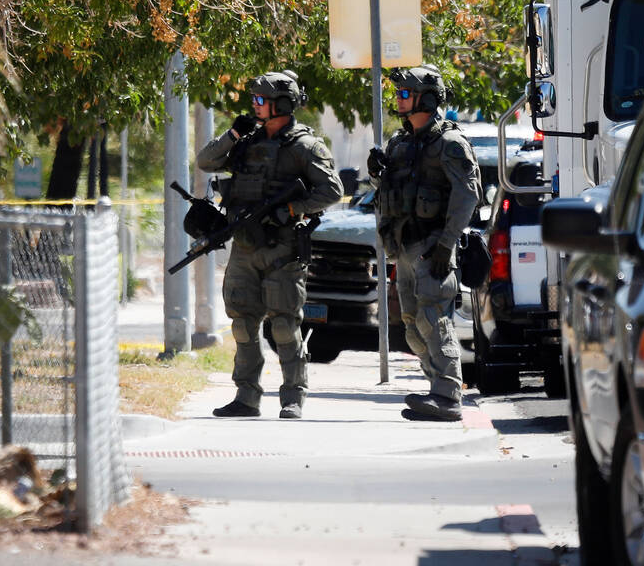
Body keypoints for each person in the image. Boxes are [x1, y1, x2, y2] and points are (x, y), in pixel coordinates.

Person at [196, 69, 343, 419]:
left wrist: (293, 208)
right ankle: (246, 397)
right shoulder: (245, 141)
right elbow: (205, 161)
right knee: (243, 324)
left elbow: (332, 190)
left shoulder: (305, 146)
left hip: (282, 248)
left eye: (261, 101)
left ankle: (293, 396)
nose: (255, 106)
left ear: (281, 104)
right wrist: (233, 133)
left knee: (284, 325)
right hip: (245, 248)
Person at [368, 65, 480, 421]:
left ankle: (448, 396)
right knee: (414, 325)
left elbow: (468, 195)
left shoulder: (449, 143)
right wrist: (376, 176)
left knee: (435, 319)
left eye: (405, 94)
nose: (398, 100)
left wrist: (446, 246)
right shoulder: (399, 144)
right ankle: (436, 389)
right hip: (403, 248)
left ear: (427, 100)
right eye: (398, 94)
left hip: (432, 247)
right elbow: (390, 194)